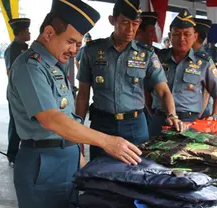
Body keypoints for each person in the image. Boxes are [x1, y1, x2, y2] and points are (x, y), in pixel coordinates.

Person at [7, 1, 143, 207]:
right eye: (70, 42)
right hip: (43, 163)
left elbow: (68, 115)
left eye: (78, 44)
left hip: (66, 158)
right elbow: (51, 119)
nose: (73, 50)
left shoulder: (53, 65)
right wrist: (106, 141)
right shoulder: (30, 66)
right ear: (49, 33)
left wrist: (77, 154)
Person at [76, 0, 185, 161]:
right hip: (102, 125)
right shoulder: (92, 51)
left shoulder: (146, 54)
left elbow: (163, 91)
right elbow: (83, 94)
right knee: (99, 175)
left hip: (135, 125)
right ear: (112, 20)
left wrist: (172, 115)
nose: (130, 29)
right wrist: (78, 129)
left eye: (135, 23)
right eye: (125, 23)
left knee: (136, 175)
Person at [150, 9, 217, 136]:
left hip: (189, 121)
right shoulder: (157, 58)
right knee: (151, 155)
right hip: (160, 120)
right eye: (177, 34)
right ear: (170, 36)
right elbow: (146, 90)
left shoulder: (204, 62)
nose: (182, 39)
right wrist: (153, 112)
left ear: (195, 36)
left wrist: (216, 116)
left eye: (187, 34)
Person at [4, 18, 31, 166]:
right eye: (27, 31)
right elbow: (10, 72)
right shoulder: (13, 49)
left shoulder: (25, 47)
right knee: (15, 124)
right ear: (21, 33)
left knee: (24, 123)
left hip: (25, 93)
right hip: (16, 94)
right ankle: (12, 155)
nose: (29, 33)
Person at [135, 11, 159, 134]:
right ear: (139, 32)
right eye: (150, 32)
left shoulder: (157, 54)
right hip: (136, 108)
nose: (153, 37)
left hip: (153, 108)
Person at [192, 18, 214, 118]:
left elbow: (206, 91)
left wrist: (200, 113)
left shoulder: (202, 57)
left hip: (199, 109)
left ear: (195, 36)